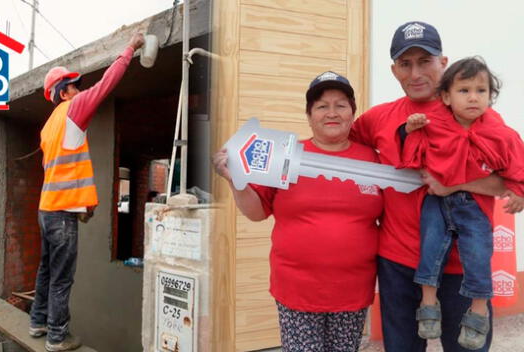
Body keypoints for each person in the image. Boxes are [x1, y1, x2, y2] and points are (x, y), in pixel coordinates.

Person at [350, 21, 524, 352]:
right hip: (398, 261)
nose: (416, 73)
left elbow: (509, 182)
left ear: (443, 63)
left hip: (462, 265)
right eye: (406, 64)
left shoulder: (479, 117)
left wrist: (450, 185)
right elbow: (340, 145)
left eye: (425, 61)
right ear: (394, 70)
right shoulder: (377, 119)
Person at [213, 72, 383, 352]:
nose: (332, 113)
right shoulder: (284, 156)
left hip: (353, 292)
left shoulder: (372, 159)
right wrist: (235, 182)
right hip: (297, 291)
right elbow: (257, 213)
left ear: (352, 113)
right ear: (309, 115)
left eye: (340, 105)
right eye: (321, 106)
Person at [29, 32, 145, 352]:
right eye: (75, 85)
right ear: (64, 91)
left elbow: (64, 170)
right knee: (62, 277)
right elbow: (108, 83)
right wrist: (130, 49)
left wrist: (85, 204)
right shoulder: (74, 108)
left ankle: (37, 322)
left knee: (47, 269)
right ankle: (57, 336)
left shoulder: (49, 125)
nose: (80, 90)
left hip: (47, 209)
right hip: (62, 213)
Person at [399, 57, 524, 350]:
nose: (473, 97)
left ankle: (478, 311)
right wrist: (411, 131)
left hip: (474, 206)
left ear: (490, 97)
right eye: (464, 90)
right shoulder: (433, 127)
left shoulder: (502, 135)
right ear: (446, 96)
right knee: (430, 247)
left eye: (481, 91)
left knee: (479, 255)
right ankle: (429, 304)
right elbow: (411, 160)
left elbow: (516, 169)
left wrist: (518, 192)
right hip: (436, 203)